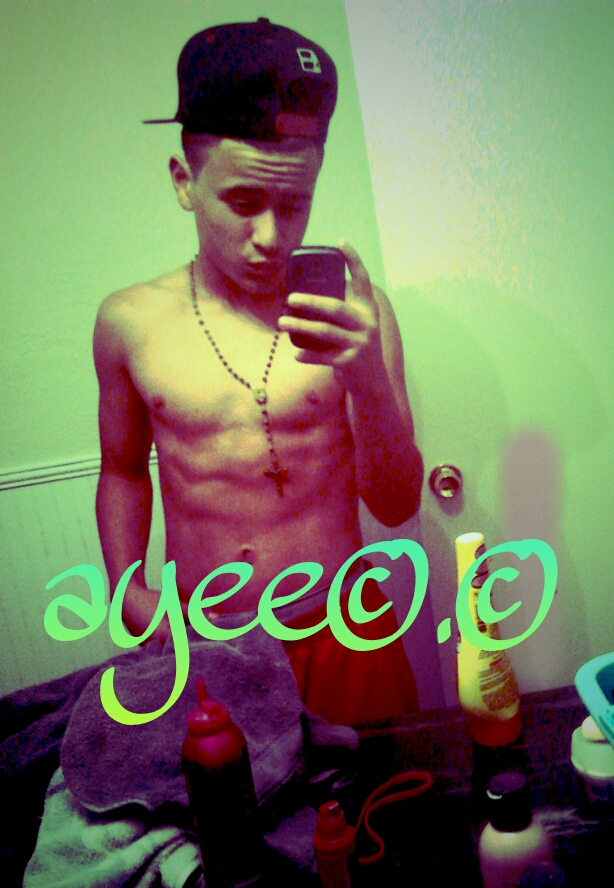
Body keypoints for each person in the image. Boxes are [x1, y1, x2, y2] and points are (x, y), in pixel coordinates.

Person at [94, 18, 424, 728]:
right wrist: (127, 589)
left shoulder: (357, 318)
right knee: (227, 799)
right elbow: (121, 470)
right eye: (244, 202)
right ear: (184, 181)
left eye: (295, 204)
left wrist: (367, 379)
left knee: (383, 793)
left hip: (346, 627)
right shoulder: (129, 323)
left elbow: (396, 505)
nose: (272, 238)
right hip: (210, 643)